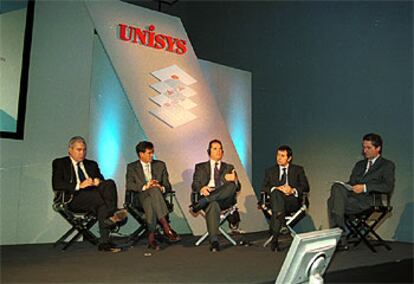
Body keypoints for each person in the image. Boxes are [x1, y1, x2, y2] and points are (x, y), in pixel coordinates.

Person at [52, 136, 127, 252]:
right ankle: (112, 215)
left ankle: (104, 242)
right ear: (70, 150)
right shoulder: (60, 163)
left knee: (109, 184)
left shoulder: (91, 164)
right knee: (99, 199)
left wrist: (98, 181)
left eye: (84, 150)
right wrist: (79, 185)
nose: (82, 153)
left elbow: (103, 183)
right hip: (74, 198)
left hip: (95, 196)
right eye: (79, 150)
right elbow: (56, 184)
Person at [327, 133, 395, 249]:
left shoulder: (387, 165)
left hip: (368, 201)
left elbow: (388, 186)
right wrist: (346, 185)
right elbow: (352, 182)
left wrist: (364, 187)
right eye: (364, 147)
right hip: (352, 198)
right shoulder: (359, 165)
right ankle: (340, 235)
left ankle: (339, 236)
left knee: (332, 202)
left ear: (378, 148)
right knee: (337, 188)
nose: (365, 151)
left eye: (368, 148)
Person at [126, 141, 180, 250]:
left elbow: (167, 186)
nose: (152, 155)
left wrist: (162, 188)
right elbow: (130, 185)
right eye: (149, 153)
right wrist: (146, 186)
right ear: (141, 154)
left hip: (155, 198)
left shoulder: (160, 165)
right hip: (140, 197)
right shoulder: (132, 167)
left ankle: (151, 238)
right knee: (152, 190)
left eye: (152, 153)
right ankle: (166, 226)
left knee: (152, 197)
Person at [190, 139, 241, 252]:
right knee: (213, 204)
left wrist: (235, 180)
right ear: (209, 151)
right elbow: (195, 184)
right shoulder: (200, 167)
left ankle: (205, 201)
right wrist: (202, 188)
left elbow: (237, 188)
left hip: (224, 199)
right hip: (209, 194)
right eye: (215, 148)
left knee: (231, 186)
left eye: (220, 149)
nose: (218, 151)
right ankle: (214, 241)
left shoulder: (229, 167)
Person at [261, 145, 310, 251]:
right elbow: (264, 187)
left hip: (292, 202)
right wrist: (276, 188)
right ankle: (280, 229)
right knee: (276, 193)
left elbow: (306, 187)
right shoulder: (270, 171)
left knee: (277, 209)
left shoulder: (298, 170)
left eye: (282, 156)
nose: (279, 158)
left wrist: (292, 190)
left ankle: (276, 236)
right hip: (276, 201)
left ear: (289, 158)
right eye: (278, 155)